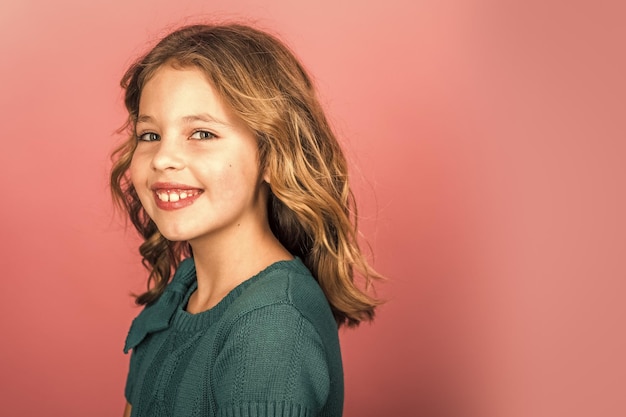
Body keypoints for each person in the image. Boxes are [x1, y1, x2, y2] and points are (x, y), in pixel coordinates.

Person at [110, 23, 381, 417]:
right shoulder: (180, 294)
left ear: (273, 157)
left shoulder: (271, 328)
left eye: (201, 134)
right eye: (149, 135)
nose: (163, 158)